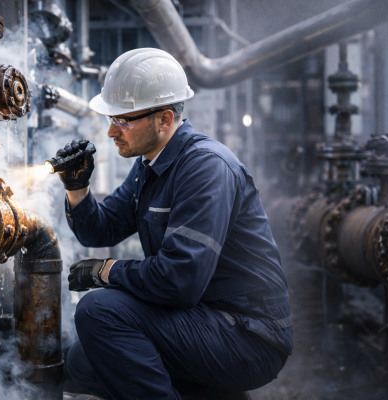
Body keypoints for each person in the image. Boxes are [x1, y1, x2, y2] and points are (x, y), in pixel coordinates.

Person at [60, 48, 292, 400]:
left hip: (249, 336)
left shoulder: (206, 168)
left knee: (99, 311)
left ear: (164, 119)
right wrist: (77, 189)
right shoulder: (150, 167)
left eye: (123, 120)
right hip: (205, 319)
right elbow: (101, 230)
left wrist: (106, 271)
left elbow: (179, 280)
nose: (111, 132)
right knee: (83, 361)